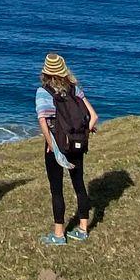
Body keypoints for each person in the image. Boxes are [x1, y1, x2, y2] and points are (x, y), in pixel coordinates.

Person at [35, 52, 99, 246]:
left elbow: (43, 122)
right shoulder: (75, 89)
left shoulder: (44, 92)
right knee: (79, 184)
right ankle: (82, 229)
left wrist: (52, 146)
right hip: (77, 143)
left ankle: (59, 234)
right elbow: (94, 117)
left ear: (46, 72)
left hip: (57, 146)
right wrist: (83, 133)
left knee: (57, 190)